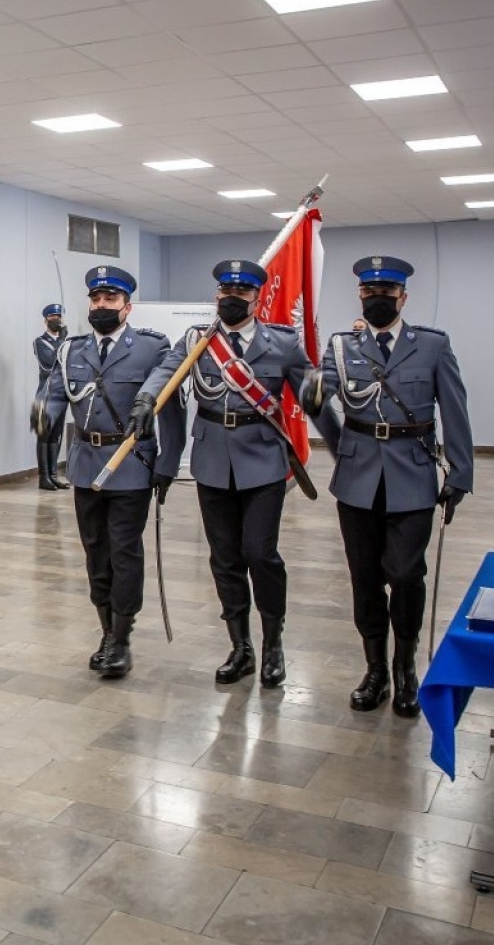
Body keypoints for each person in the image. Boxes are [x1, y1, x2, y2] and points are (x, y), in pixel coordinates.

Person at [129, 260, 325, 689]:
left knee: (261, 553)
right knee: (225, 559)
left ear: (257, 299)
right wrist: (146, 399)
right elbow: (166, 371)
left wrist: (345, 446)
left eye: (240, 294)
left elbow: (313, 399)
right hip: (212, 461)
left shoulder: (283, 344)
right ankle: (241, 647)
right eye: (224, 292)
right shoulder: (199, 340)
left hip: (263, 461)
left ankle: (273, 642)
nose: (231, 299)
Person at [303, 256, 474, 718]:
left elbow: (454, 410)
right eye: (369, 292)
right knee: (364, 578)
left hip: (412, 475)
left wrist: (460, 473)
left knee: (404, 574)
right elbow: (321, 401)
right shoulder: (343, 346)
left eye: (386, 292)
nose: (377, 298)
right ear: (360, 295)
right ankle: (375, 668)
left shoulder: (432, 346)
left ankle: (406, 667)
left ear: (403, 297)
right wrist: (340, 448)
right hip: (358, 480)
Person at [41, 267, 174, 678]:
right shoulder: (70, 350)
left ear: (127, 307)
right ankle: (105, 631)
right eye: (96, 299)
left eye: (110, 300)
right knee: (95, 551)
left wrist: (167, 466)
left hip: (130, 466)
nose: (101, 306)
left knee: (124, 551)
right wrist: (40, 430)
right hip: (85, 465)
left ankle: (122, 637)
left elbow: (171, 410)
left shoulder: (152, 349)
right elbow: (49, 398)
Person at [33, 303, 70, 490]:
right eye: (52, 317)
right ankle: (44, 477)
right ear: (46, 319)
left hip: (61, 395)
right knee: (44, 437)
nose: (56, 320)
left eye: (58, 317)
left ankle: (54, 474)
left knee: (56, 436)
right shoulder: (40, 342)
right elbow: (49, 365)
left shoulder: (65, 342)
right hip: (44, 395)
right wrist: (63, 342)